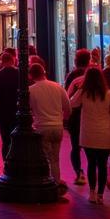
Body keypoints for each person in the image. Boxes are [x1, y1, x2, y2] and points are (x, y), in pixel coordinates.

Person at [69, 66, 110, 204]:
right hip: (104, 134)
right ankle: (100, 194)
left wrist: (79, 89)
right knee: (102, 165)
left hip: (88, 133)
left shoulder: (84, 93)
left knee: (91, 163)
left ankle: (91, 192)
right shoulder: (108, 94)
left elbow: (72, 103)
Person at [28, 62, 72, 190]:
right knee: (55, 157)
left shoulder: (31, 90)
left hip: (42, 126)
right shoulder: (57, 87)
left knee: (45, 157)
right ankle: (56, 182)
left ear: (31, 75)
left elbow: (27, 110)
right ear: (44, 72)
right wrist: (62, 119)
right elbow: (68, 107)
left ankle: (46, 183)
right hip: (57, 127)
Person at [64, 48, 92, 185]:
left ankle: (79, 172)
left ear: (76, 60)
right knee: (89, 146)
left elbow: (66, 95)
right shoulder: (94, 75)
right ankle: (91, 170)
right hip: (90, 114)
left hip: (75, 115)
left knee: (75, 146)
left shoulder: (72, 76)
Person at [0, 50, 19, 163]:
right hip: (18, 113)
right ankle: (16, 164)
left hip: (2, 114)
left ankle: (6, 164)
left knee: (6, 141)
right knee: (17, 141)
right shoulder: (20, 74)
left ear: (1, 62)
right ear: (13, 60)